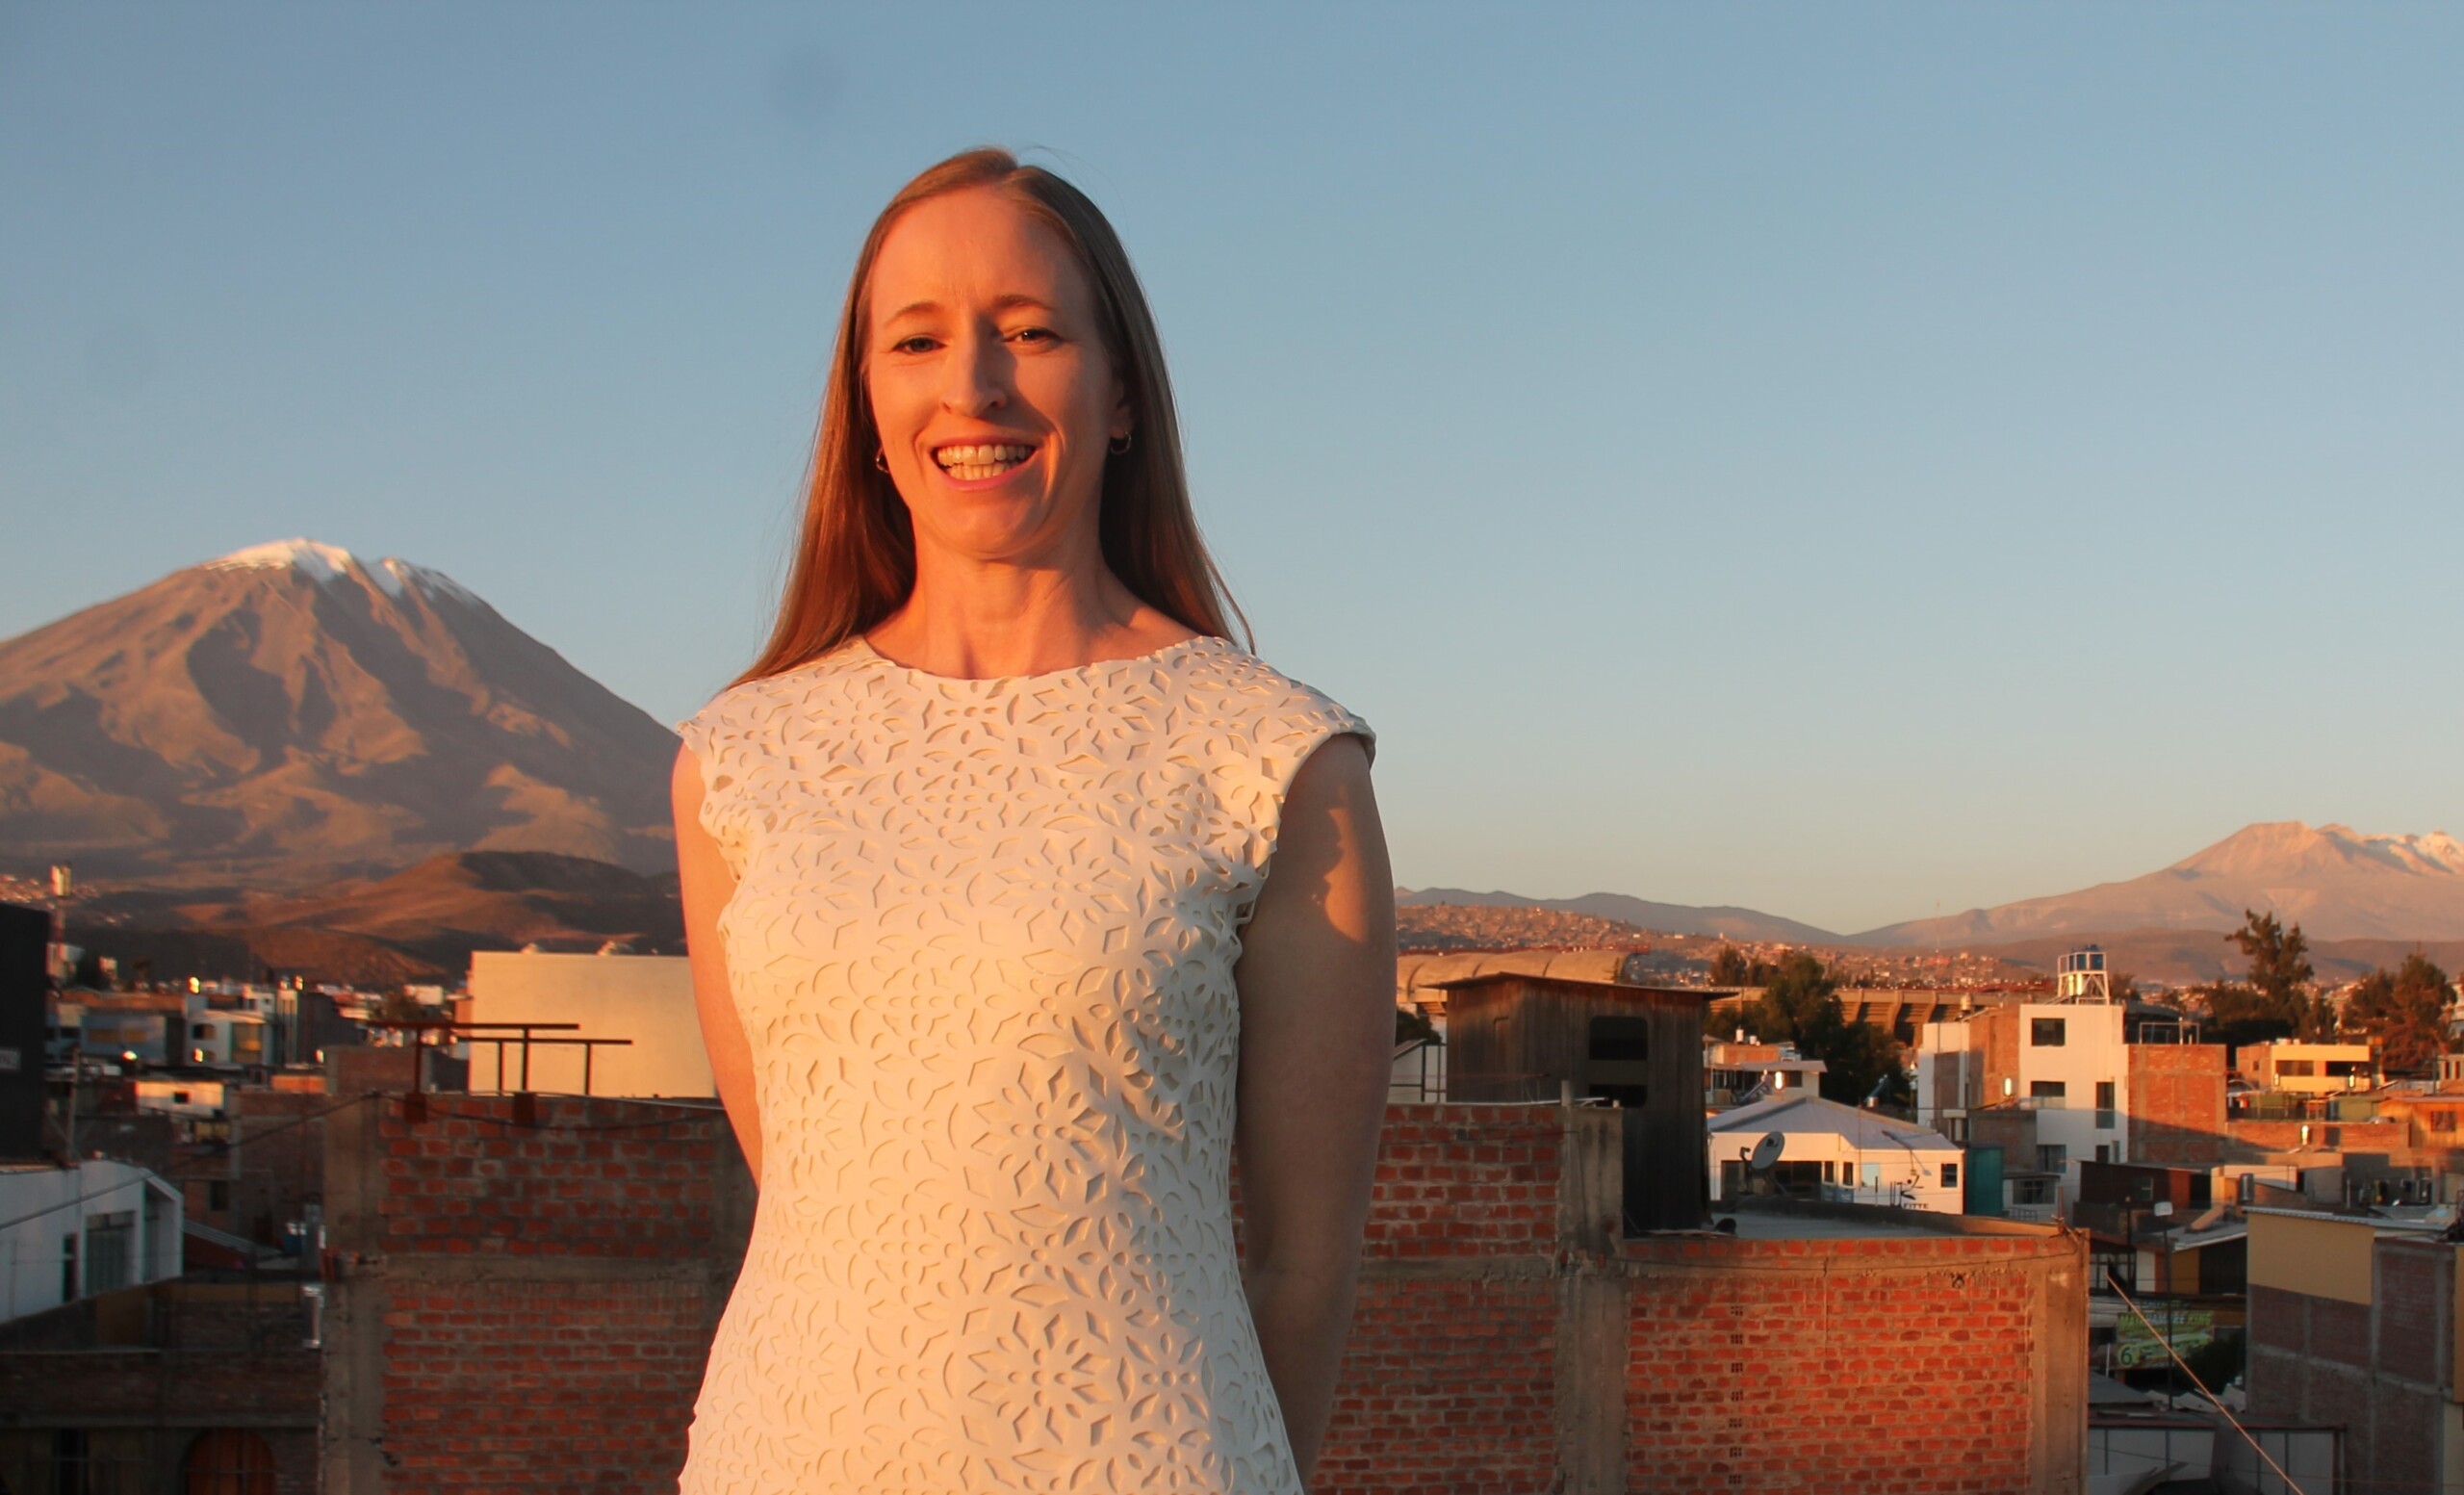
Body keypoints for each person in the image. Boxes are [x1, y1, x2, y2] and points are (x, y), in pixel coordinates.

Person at [670, 148, 1396, 1494]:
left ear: (1120, 395)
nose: (974, 386)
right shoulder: (738, 763)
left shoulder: (1278, 760)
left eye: (1032, 331)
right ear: (868, 402)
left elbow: (1307, 1259)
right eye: (919, 339)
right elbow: (807, 1191)